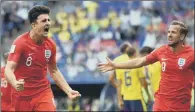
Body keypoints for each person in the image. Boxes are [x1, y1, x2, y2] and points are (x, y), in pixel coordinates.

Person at [98, 20, 194, 111]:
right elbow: (139, 61)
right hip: (161, 104)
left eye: (173, 32)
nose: (169, 35)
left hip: (181, 106)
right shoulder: (161, 51)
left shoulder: (191, 54)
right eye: (168, 32)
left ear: (182, 36)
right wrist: (115, 65)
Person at [5, 5, 81, 111]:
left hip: (42, 92)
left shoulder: (51, 45)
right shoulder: (20, 42)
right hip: (21, 96)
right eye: (44, 20)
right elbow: (8, 69)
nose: (48, 23)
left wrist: (68, 90)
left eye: (49, 20)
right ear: (34, 25)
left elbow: (54, 70)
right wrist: (14, 82)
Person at [121, 47, 152, 111]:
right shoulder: (137, 65)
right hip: (136, 96)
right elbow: (143, 82)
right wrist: (148, 95)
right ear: (135, 53)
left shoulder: (124, 66)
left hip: (126, 97)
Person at [108, 41, 132, 110]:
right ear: (128, 49)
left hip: (122, 93)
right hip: (135, 92)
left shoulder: (116, 60)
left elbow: (110, 78)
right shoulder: (133, 58)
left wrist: (118, 86)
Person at [139, 46, 161, 110]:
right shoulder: (149, 66)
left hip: (161, 95)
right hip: (153, 96)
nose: (142, 59)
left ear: (148, 55)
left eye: (143, 57)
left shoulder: (159, 63)